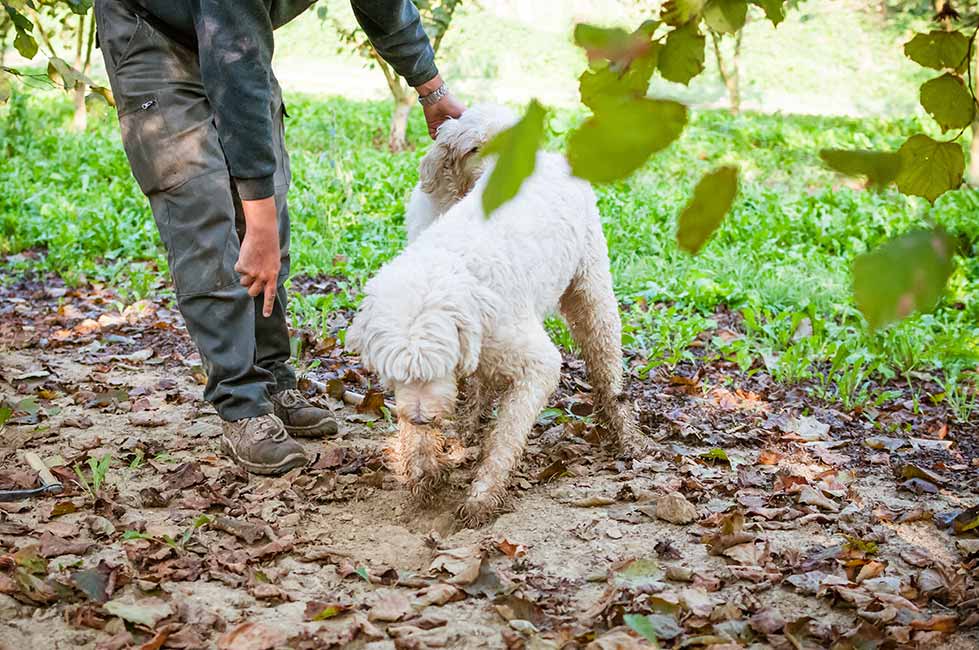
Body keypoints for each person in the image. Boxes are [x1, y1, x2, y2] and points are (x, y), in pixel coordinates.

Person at [92, 0, 465, 476]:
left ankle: (271, 379)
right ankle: (241, 404)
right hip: (154, 33)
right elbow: (232, 54)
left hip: (235, 35)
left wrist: (432, 89)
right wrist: (259, 222)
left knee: (271, 211)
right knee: (203, 211)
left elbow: (383, 4)